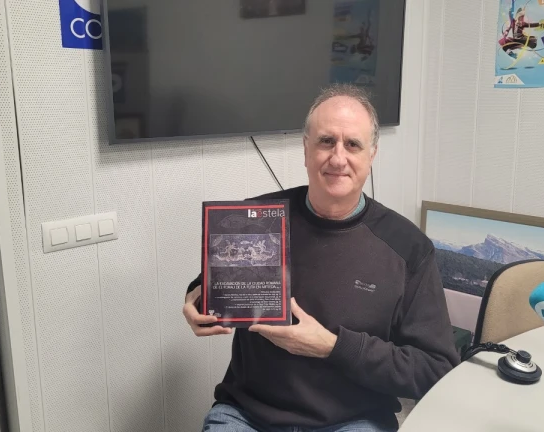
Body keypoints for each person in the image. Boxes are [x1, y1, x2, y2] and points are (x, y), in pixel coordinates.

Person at [183, 83, 460, 432]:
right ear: (306, 149)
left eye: (353, 144)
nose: (338, 158)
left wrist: (333, 347)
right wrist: (197, 298)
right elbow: (220, 286)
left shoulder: (408, 248)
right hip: (249, 414)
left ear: (372, 155)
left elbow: (435, 369)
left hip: (353, 420)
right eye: (326, 141)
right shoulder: (256, 218)